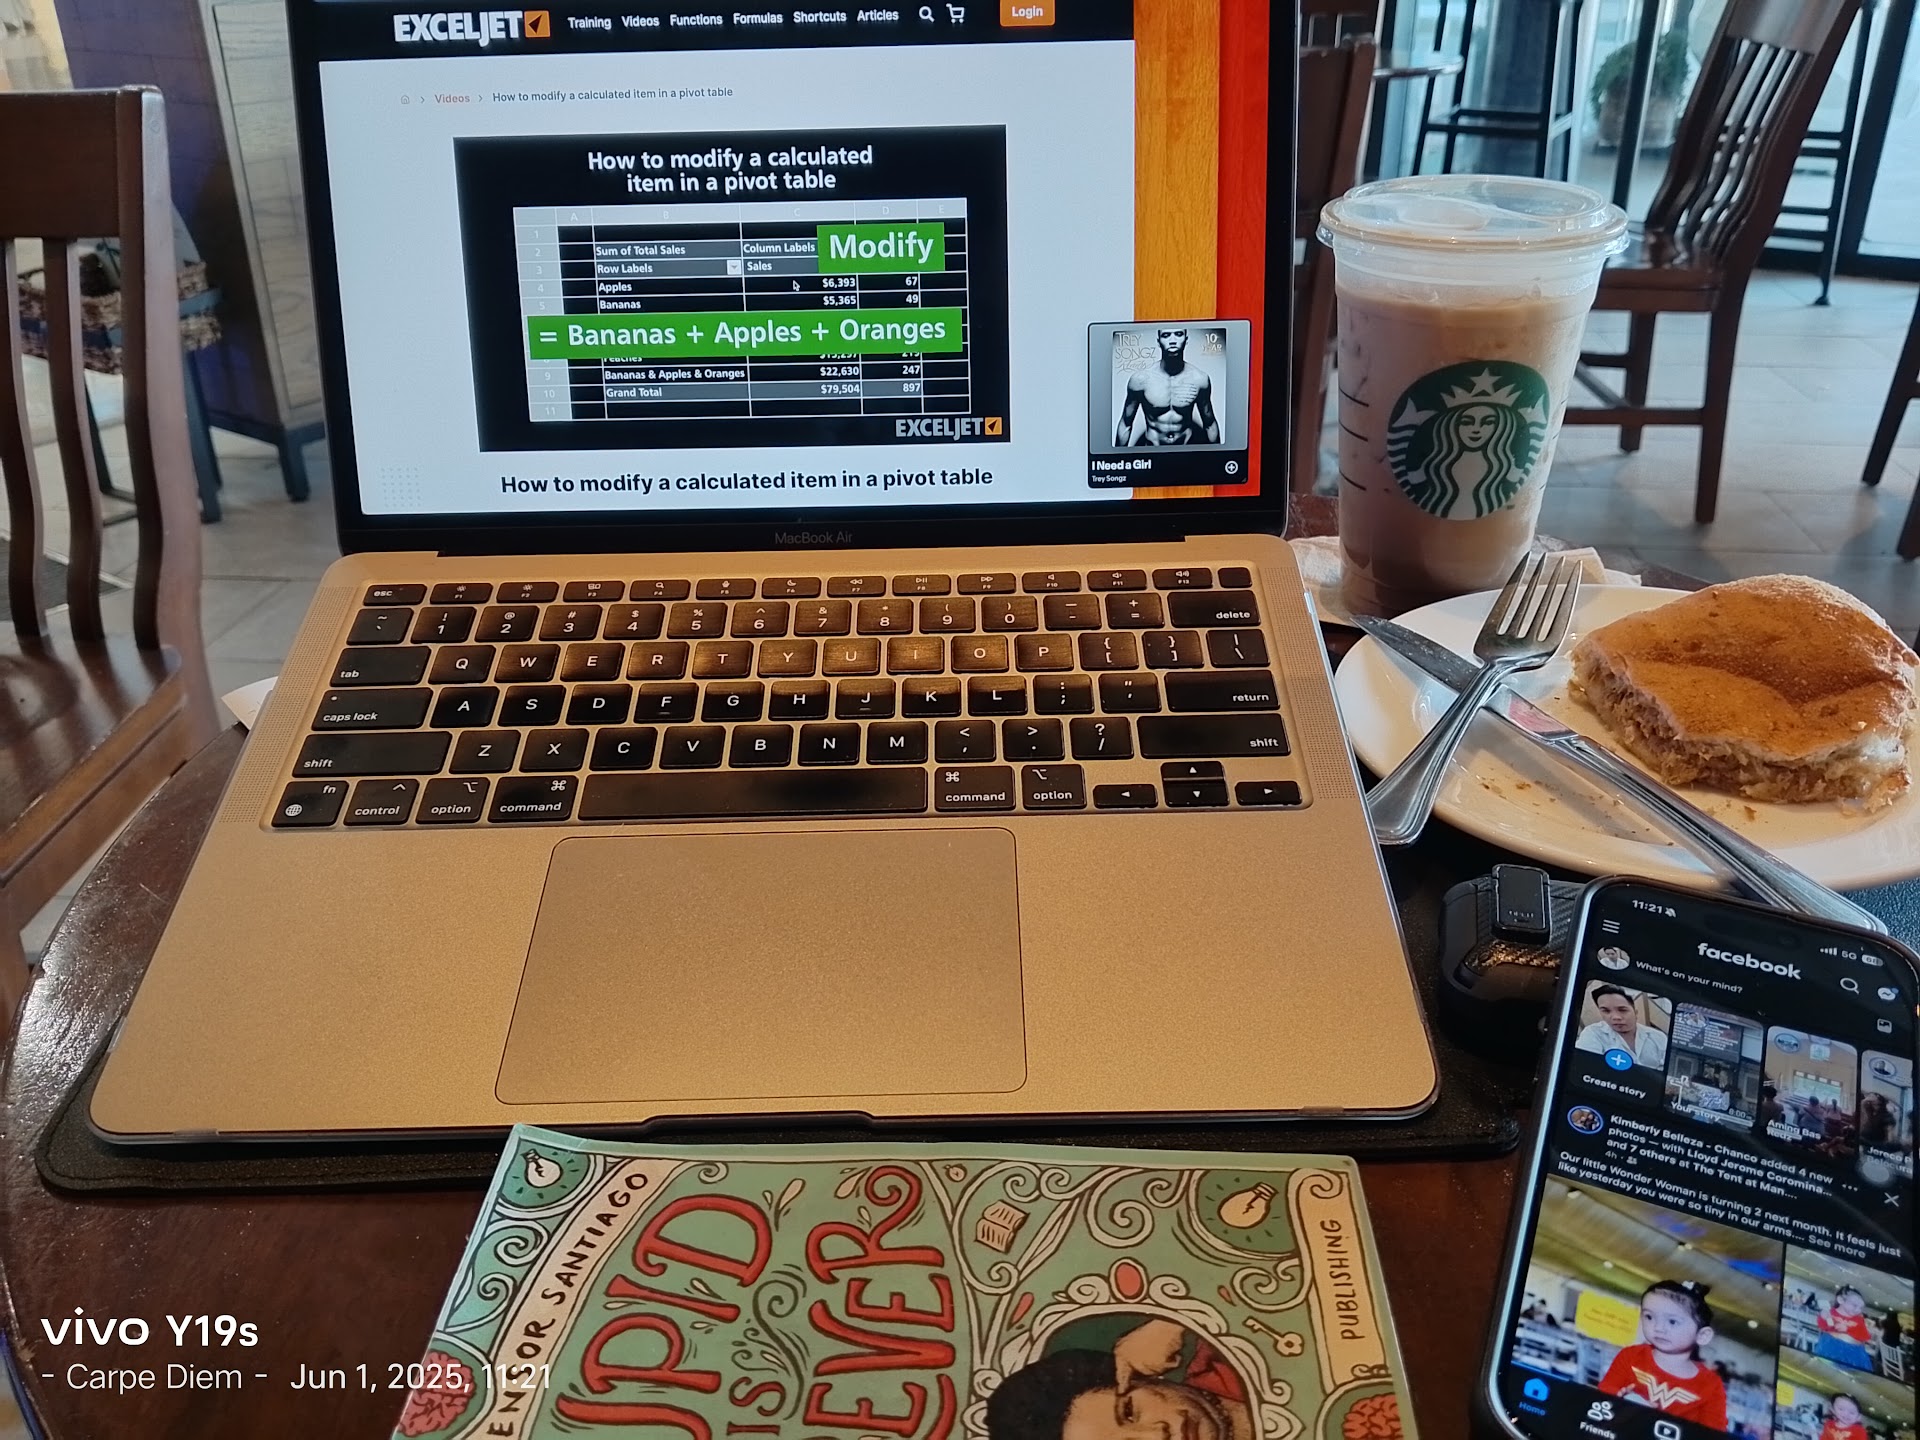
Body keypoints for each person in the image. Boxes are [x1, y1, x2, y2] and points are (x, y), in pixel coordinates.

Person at [987, 1318, 1251, 1440]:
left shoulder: (1227, 1350)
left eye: (1129, 1411)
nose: (1156, 1435)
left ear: (1139, 1376)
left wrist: (1172, 1322)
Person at [1598, 1280, 1729, 1427]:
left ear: (1702, 1335)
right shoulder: (1631, 1355)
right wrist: (1620, 1398)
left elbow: (1713, 1433)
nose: (1658, 1328)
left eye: (1672, 1322)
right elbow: (1603, 1392)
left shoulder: (1711, 1385)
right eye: (1649, 1317)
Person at [1115, 329, 1220, 447]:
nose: (1172, 341)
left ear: (1186, 339)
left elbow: (1210, 424)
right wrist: (1117, 456)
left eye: (1179, 334)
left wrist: (1219, 456)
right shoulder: (1140, 380)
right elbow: (1126, 424)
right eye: (1166, 335)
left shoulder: (1199, 379)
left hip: (1186, 450)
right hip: (1153, 450)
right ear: (1158, 341)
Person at [1575, 986, 1669, 1068]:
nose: (1615, 1017)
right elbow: (1586, 1066)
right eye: (1606, 1011)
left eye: (1622, 1010)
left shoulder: (1658, 1037)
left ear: (1635, 1012)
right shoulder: (1592, 1034)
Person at [1816, 1286, 1876, 1371]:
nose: (1858, 1310)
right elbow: (1825, 1326)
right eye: (1854, 1305)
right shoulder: (1831, 1313)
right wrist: (1823, 1317)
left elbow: (1863, 1336)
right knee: (1827, 1369)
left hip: (1854, 1353)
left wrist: (1848, 1329)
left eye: (1860, 1308)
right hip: (1830, 1348)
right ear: (1841, 1300)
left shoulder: (1859, 1319)